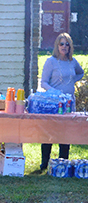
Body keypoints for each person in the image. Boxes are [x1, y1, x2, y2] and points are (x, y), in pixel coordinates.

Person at [40, 32, 84, 171]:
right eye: (61, 44)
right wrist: (55, 92)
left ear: (70, 46)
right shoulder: (50, 61)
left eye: (67, 44)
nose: (64, 47)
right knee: (50, 132)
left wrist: (71, 81)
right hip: (54, 103)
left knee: (66, 132)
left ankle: (63, 162)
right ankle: (44, 163)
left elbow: (80, 73)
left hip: (69, 103)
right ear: (57, 46)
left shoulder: (73, 61)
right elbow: (43, 82)